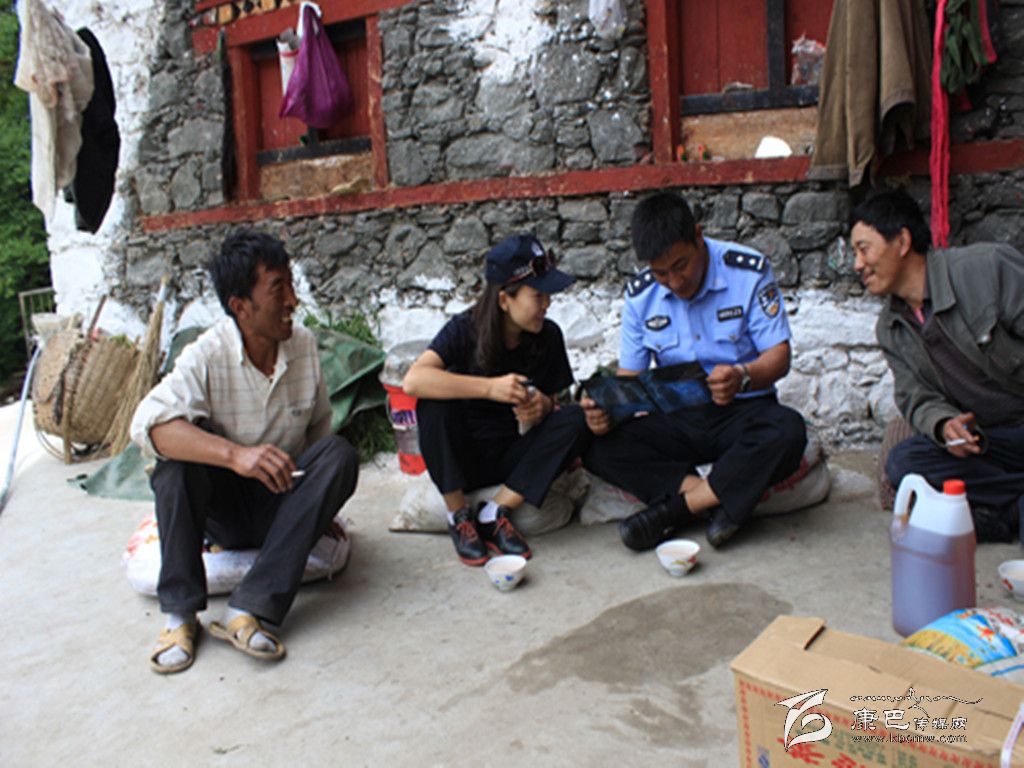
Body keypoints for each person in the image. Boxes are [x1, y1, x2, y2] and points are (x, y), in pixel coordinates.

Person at [130, 230, 359, 674]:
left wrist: (317, 504)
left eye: (291, 284)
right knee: (174, 466)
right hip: (222, 514)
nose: (293, 300)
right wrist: (236, 456)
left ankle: (248, 608)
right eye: (278, 289)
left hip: (280, 503)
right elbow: (147, 424)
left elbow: (318, 435)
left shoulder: (303, 346)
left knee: (339, 455)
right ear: (240, 306)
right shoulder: (207, 354)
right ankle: (180, 617)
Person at [582, 191, 807, 549]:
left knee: (788, 431)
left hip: (743, 411)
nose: (674, 282)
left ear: (698, 236)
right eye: (661, 273)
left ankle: (675, 511)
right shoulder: (640, 296)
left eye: (681, 265)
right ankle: (712, 500)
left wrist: (742, 376)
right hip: (680, 418)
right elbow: (631, 379)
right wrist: (607, 411)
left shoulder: (747, 272)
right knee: (597, 447)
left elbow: (779, 356)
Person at [403, 234, 590, 566]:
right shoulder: (464, 330)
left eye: (548, 295)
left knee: (578, 418)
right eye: (538, 296)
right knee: (432, 399)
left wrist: (544, 407)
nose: (547, 304)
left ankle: (495, 512)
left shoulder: (548, 336)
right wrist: (489, 388)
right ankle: (459, 516)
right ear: (505, 300)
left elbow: (557, 403)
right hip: (462, 461)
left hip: (513, 460)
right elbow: (413, 381)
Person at [851, 189, 1024, 541]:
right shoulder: (891, 327)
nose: (857, 264)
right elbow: (917, 397)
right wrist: (945, 425)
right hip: (990, 442)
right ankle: (1012, 507)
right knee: (903, 463)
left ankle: (1002, 512)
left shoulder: (987, 269)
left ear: (902, 241)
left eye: (863, 249)